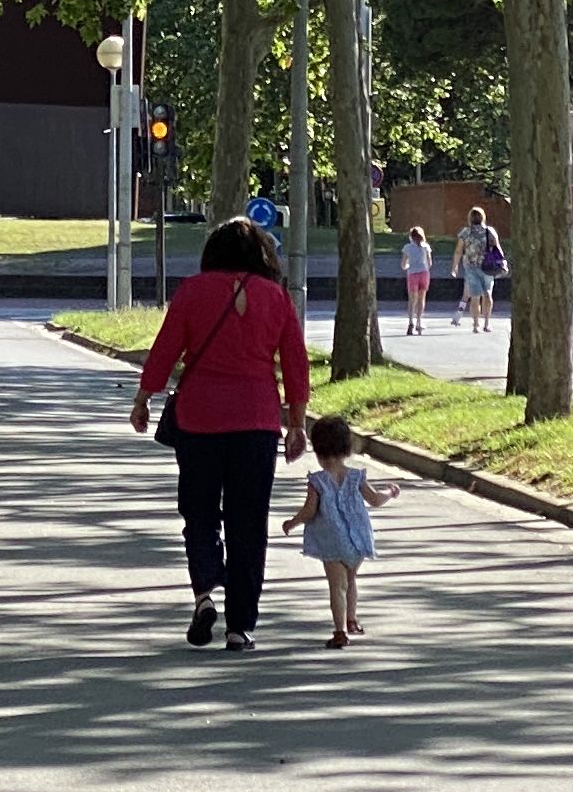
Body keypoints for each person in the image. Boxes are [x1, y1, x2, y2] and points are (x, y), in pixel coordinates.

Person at [127, 215, 314, 651]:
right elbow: (295, 362)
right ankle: (240, 625)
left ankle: (206, 592)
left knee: (200, 514)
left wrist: (143, 399)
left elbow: (165, 348)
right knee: (249, 524)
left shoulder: (193, 291)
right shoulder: (277, 298)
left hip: (200, 418)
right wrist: (298, 423)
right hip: (257, 421)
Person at [284, 414, 405, 647]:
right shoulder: (356, 477)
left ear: (317, 451)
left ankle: (339, 631)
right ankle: (352, 619)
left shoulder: (318, 481)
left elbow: (309, 511)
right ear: (347, 448)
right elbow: (375, 500)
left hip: (332, 541)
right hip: (358, 539)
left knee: (337, 586)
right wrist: (390, 492)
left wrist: (293, 522)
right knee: (351, 579)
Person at [452, 209, 497, 333]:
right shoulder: (489, 231)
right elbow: (497, 248)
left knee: (475, 297)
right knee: (487, 294)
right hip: (487, 267)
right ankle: (487, 323)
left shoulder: (465, 232)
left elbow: (458, 250)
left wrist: (455, 266)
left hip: (471, 267)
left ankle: (476, 324)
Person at [400, 220, 435, 337]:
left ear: (411, 236)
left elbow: (403, 264)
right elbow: (430, 263)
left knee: (412, 300)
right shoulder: (426, 247)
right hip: (424, 273)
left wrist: (407, 266)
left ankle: (411, 321)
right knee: (421, 299)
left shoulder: (407, 247)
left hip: (412, 274)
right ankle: (419, 321)